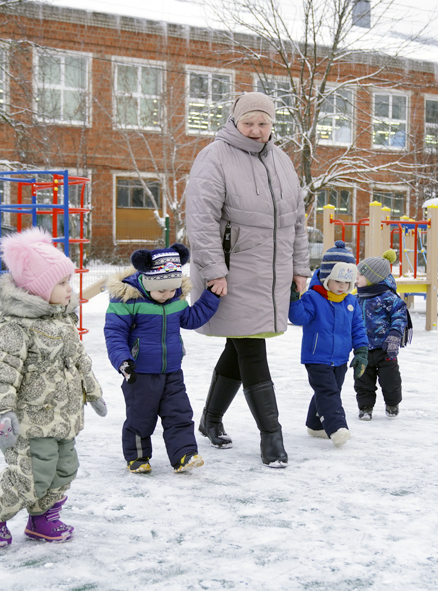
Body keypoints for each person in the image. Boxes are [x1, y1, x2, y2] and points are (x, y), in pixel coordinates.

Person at [185, 91, 311, 468]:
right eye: (248, 123)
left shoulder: (282, 160)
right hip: (233, 272)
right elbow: (202, 219)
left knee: (241, 346)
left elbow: (297, 220)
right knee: (251, 348)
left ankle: (209, 419)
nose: (256, 130)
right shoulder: (215, 156)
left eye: (263, 123)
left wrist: (300, 267)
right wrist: (213, 270)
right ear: (235, 121)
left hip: (271, 274)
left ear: (273, 125)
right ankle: (272, 437)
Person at [0, 228, 106, 548]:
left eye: (69, 281)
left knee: (65, 468)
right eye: (62, 283)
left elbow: (78, 358)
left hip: (64, 414)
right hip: (29, 419)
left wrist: (94, 390)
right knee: (33, 472)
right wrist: (2, 414)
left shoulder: (61, 317)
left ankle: (43, 519)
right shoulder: (13, 325)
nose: (70, 289)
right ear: (38, 288)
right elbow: (0, 370)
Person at [104, 244, 220, 474]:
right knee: (140, 418)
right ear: (147, 282)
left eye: (172, 290)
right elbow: (115, 334)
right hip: (139, 373)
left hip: (172, 371)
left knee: (179, 413)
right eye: (162, 291)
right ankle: (137, 457)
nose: (168, 295)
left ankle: (184, 454)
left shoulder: (175, 298)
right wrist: (124, 362)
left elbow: (191, 318)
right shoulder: (127, 300)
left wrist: (211, 296)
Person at [288, 242, 369, 447]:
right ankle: (337, 427)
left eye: (347, 281)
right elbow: (299, 318)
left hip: (340, 358)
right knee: (328, 392)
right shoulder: (313, 298)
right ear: (326, 278)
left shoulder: (350, 302)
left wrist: (361, 351)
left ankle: (315, 425)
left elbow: (358, 328)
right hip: (317, 357)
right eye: (338, 280)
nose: (342, 286)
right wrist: (294, 299)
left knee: (329, 390)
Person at [354, 249, 410, 420]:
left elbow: (400, 316)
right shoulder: (357, 298)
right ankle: (365, 407)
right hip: (363, 348)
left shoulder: (388, 297)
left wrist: (394, 335)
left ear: (372, 278)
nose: (356, 279)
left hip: (385, 348)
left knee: (390, 380)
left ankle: (392, 403)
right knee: (362, 379)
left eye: (359, 275)